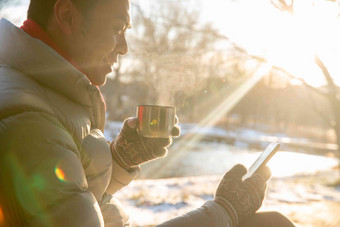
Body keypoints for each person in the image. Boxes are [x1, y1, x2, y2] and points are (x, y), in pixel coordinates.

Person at [0, 0, 296, 226]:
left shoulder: (41, 93)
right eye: (117, 29)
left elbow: (75, 194)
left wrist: (122, 157)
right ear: (67, 16)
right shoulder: (31, 121)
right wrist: (224, 212)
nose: (124, 48)